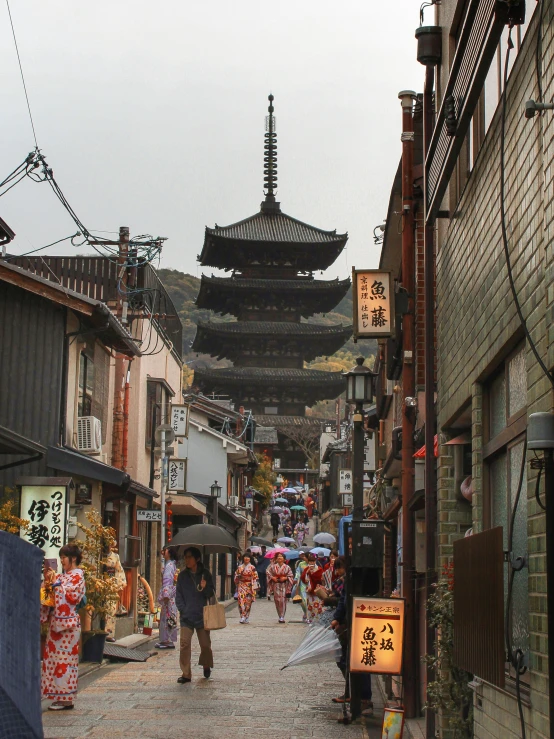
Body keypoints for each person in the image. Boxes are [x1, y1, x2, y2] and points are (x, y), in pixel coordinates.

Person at [41, 544, 86, 711]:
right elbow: (51, 596)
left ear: (73, 558)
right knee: (54, 660)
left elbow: (73, 596)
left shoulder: (77, 576)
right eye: (60, 557)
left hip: (68, 626)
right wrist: (48, 582)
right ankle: (58, 696)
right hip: (57, 624)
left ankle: (65, 699)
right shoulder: (63, 576)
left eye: (64, 557)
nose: (61, 560)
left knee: (65, 662)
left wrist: (56, 585)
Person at [175, 547, 215, 683]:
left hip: (202, 616)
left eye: (189, 557)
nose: (187, 559)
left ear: (197, 559)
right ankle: (186, 674)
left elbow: (210, 594)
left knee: (205, 645)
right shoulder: (182, 576)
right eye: (185, 557)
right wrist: (182, 609)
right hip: (186, 617)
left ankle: (206, 664)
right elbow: (178, 595)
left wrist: (205, 587)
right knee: (184, 644)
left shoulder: (205, 574)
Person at [156, 546, 178, 649]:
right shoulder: (171, 564)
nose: (163, 552)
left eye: (165, 550)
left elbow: (167, 580)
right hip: (171, 596)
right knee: (168, 616)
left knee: (167, 617)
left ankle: (166, 640)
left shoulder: (169, 565)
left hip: (168, 596)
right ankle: (166, 640)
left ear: (169, 552)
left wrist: (166, 595)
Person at [104, 546, 127, 642]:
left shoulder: (115, 556)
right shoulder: (100, 554)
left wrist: (119, 584)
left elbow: (119, 571)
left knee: (111, 609)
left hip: (111, 584)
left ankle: (109, 633)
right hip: (100, 582)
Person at [266, 552, 294, 623]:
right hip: (276, 585)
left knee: (283, 600)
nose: (279, 558)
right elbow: (268, 573)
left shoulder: (287, 567)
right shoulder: (273, 567)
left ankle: (282, 616)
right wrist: (272, 578)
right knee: (277, 600)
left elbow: (291, 576)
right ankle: (279, 615)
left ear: (284, 559)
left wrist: (285, 578)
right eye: (278, 557)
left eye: (281, 557)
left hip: (284, 585)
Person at [234, 552, 259, 623]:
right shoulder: (240, 567)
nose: (246, 558)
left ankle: (247, 616)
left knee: (248, 602)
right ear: (243, 558)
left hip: (249, 586)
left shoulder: (252, 567)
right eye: (245, 557)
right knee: (241, 600)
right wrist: (238, 576)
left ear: (250, 559)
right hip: (241, 585)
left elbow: (255, 577)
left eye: (248, 557)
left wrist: (255, 586)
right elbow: (236, 577)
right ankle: (242, 616)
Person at [301, 553, 324, 623]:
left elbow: (319, 578)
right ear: (308, 562)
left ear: (315, 561)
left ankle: (318, 619)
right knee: (310, 605)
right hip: (309, 590)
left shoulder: (319, 569)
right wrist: (307, 573)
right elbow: (302, 578)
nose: (312, 563)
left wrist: (311, 573)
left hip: (316, 589)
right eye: (310, 561)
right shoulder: (306, 569)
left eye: (313, 561)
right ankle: (310, 619)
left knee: (317, 605)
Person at [293, 551, 309, 622]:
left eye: (305, 556)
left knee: (308, 600)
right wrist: (296, 578)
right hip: (302, 584)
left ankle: (308, 614)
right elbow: (298, 572)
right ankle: (305, 612)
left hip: (310, 583)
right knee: (303, 600)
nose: (304, 558)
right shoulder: (301, 564)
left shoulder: (313, 564)